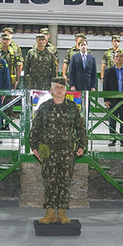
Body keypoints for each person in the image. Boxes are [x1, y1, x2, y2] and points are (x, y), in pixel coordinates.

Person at [29, 76, 88, 224]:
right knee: (49, 182)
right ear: (51, 90)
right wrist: (33, 146)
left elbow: (81, 128)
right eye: (57, 87)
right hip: (47, 150)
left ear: (66, 90)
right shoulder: (44, 107)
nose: (59, 90)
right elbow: (35, 128)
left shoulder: (72, 107)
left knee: (64, 182)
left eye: (62, 87)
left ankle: (61, 213)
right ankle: (50, 213)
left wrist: (82, 145)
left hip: (66, 151)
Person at [102, 49, 123, 146]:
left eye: (120, 56)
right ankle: (112, 139)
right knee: (112, 120)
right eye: (116, 57)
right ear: (113, 59)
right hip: (112, 99)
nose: (119, 58)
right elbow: (105, 86)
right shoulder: (108, 71)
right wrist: (106, 100)